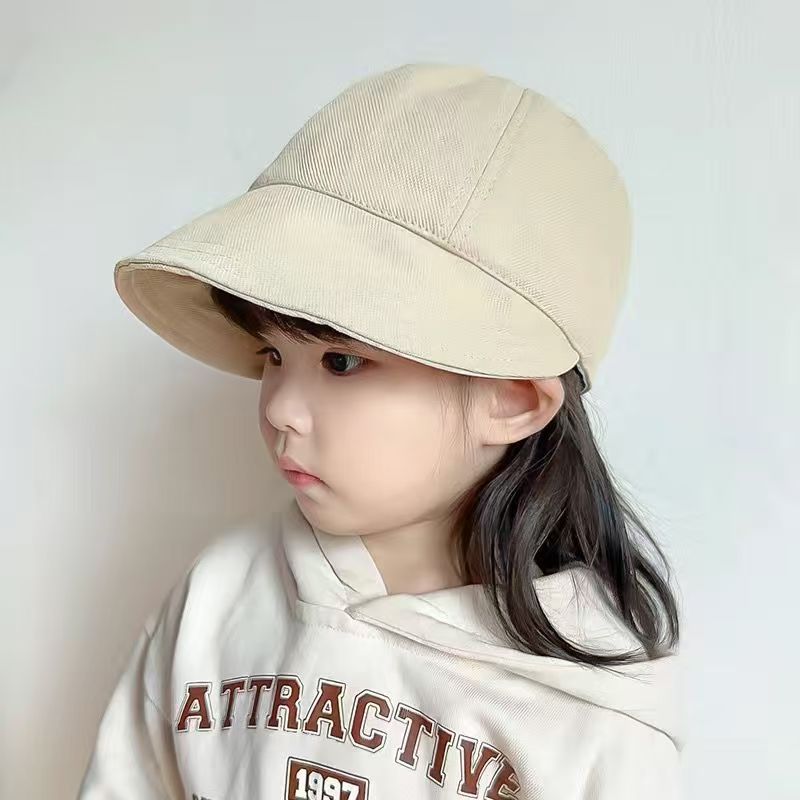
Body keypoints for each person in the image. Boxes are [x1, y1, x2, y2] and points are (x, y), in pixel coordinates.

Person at [77, 62, 683, 799]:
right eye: (272, 355)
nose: (279, 407)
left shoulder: (589, 714)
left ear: (511, 400)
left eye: (341, 360)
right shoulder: (220, 600)